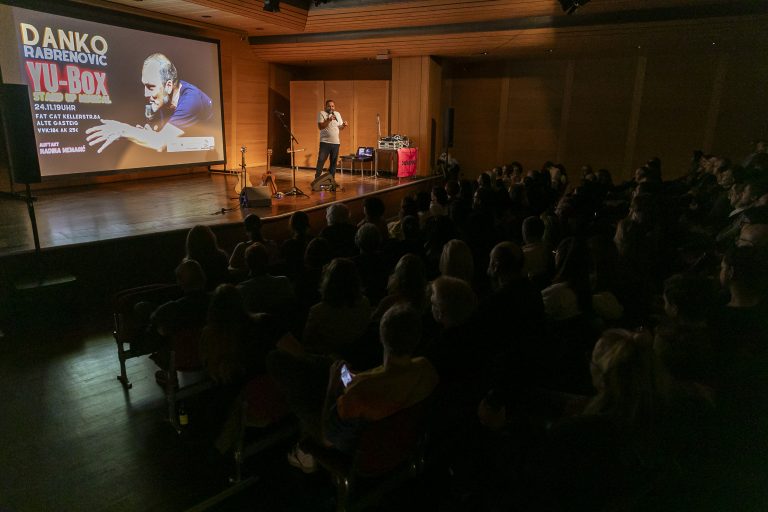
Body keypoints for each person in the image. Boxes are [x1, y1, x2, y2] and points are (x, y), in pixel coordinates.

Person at [85, 53, 214, 153]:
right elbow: (160, 142)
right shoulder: (164, 99)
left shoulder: (191, 100)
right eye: (144, 86)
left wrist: (122, 129)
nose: (146, 94)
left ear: (168, 85)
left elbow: (159, 143)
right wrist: (145, 135)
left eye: (151, 87)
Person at [314, 99, 348, 185]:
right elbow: (321, 127)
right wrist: (329, 119)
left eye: (332, 106)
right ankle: (316, 180)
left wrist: (344, 125)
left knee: (333, 163)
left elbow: (340, 127)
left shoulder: (337, 114)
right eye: (329, 106)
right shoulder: (322, 113)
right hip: (325, 142)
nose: (331, 108)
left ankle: (331, 180)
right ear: (325, 106)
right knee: (321, 161)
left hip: (336, 143)